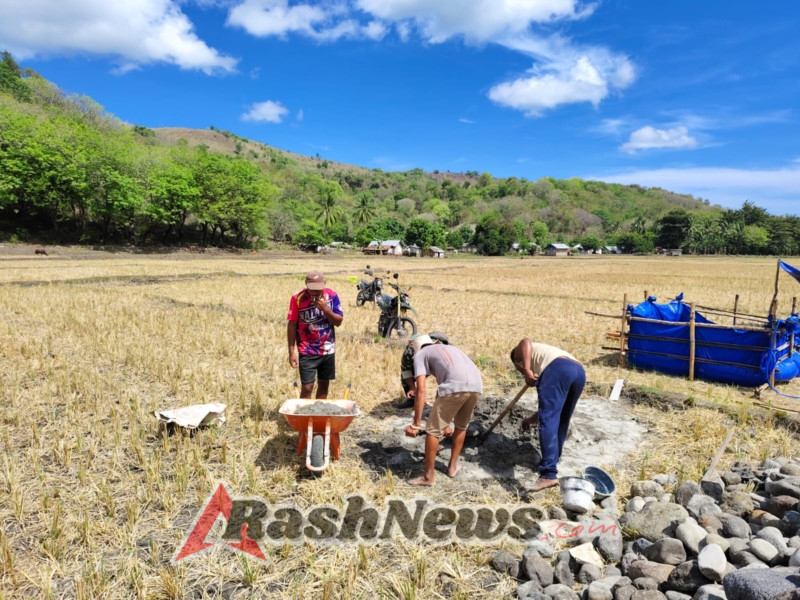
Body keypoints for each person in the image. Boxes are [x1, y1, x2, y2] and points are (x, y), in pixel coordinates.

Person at [404, 335, 483, 486]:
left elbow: (421, 390)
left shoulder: (420, 354)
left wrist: (416, 424)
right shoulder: (449, 349)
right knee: (461, 425)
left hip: (455, 386)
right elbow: (443, 387)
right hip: (476, 386)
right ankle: (452, 468)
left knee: (432, 431)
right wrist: (445, 424)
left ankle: (428, 477)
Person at [509, 338, 586, 493]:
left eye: (519, 370)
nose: (520, 373)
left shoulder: (518, 356)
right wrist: (532, 419)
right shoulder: (544, 357)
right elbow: (552, 410)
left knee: (549, 420)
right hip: (578, 371)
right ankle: (553, 461)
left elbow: (525, 341)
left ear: (518, 362)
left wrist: (527, 370)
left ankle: (548, 474)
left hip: (558, 369)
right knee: (562, 418)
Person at [287, 270, 344, 399]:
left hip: (327, 349)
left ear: (324, 284)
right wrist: (291, 352)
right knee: (307, 387)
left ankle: (319, 410)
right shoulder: (297, 298)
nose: (314, 292)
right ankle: (305, 411)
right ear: (306, 284)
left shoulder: (332, 296)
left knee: (324, 385)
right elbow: (292, 325)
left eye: (318, 288)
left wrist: (326, 309)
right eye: (311, 288)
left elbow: (338, 322)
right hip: (307, 350)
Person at [398, 330, 449, 409]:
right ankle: (412, 399)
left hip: (439, 365)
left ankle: (441, 403)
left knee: (445, 380)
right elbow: (406, 371)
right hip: (422, 363)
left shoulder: (442, 350)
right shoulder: (409, 351)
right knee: (405, 378)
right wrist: (413, 388)